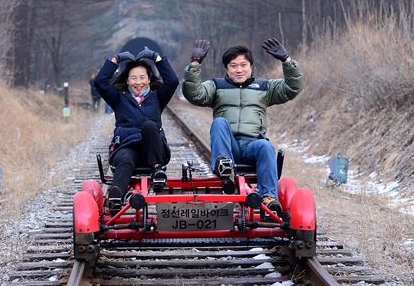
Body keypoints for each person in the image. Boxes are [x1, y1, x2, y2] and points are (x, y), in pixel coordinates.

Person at [182, 38, 303, 216]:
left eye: (243, 65)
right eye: (233, 66)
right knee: (219, 122)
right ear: (227, 68)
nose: (239, 70)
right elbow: (194, 94)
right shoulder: (216, 86)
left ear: (251, 66)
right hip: (227, 146)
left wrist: (287, 60)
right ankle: (225, 170)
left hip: (251, 146)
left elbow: (292, 88)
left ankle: (268, 198)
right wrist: (195, 64)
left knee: (266, 146)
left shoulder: (264, 87)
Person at [94, 47, 179, 214]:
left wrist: (157, 58)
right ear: (126, 80)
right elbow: (100, 82)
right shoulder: (119, 98)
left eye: (142, 77)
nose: (138, 82)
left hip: (153, 149)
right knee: (125, 159)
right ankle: (116, 194)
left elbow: (173, 81)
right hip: (127, 146)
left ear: (149, 79)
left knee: (149, 125)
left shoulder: (157, 97)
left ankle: (157, 171)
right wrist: (115, 60)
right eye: (133, 78)